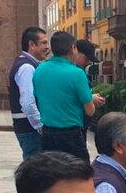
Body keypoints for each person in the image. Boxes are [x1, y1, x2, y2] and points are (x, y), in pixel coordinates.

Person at [34, 31, 104, 161]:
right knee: (79, 176)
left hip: (47, 133)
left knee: (52, 176)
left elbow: (38, 100)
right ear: (73, 48)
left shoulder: (39, 70)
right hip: (70, 135)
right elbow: (90, 110)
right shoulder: (77, 73)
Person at [8, 26, 49, 158]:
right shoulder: (26, 67)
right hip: (30, 129)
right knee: (36, 171)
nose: (47, 47)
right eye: (44, 43)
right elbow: (27, 102)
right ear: (31, 44)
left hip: (27, 127)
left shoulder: (29, 64)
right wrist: (40, 126)